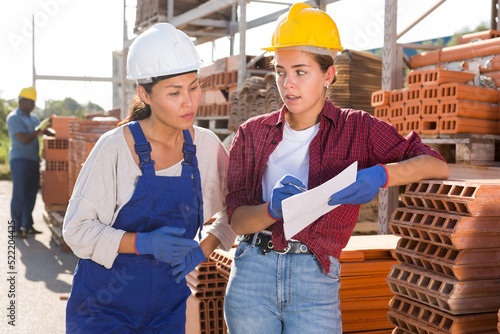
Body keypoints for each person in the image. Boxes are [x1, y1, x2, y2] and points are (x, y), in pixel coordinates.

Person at [224, 3, 450, 334]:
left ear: (328, 74)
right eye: (280, 71)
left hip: (314, 279)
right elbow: (237, 218)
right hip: (252, 276)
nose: (288, 84)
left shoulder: (358, 129)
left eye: (300, 71)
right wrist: (272, 209)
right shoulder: (252, 133)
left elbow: (435, 164)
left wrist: (382, 175)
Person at [63, 23, 236, 333]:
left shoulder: (205, 148)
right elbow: (76, 231)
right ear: (145, 93)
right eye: (174, 92)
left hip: (166, 312)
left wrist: (203, 247)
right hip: (103, 311)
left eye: (193, 87)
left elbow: (237, 207)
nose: (189, 102)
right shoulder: (115, 148)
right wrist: (143, 242)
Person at [7, 86, 53, 238]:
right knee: (19, 194)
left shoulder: (33, 119)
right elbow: (25, 139)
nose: (33, 105)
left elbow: (46, 131)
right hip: (20, 160)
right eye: (31, 102)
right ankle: (16, 228)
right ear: (22, 101)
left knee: (31, 195)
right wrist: (40, 128)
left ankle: (27, 225)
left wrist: (52, 126)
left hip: (33, 161)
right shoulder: (14, 118)